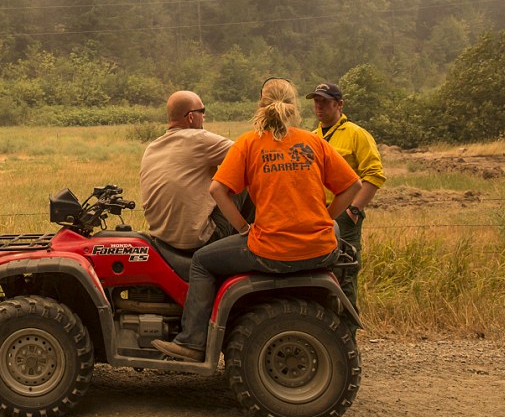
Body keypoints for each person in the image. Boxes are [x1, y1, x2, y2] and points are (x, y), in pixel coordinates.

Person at [153, 78, 361, 362]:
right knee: (334, 228)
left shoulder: (250, 143)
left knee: (202, 261)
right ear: (294, 106)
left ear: (261, 106)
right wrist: (325, 217)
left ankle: (192, 341)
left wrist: (242, 228)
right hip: (319, 249)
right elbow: (353, 186)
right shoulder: (314, 141)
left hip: (271, 251)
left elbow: (217, 190)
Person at [307, 81, 386, 311]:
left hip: (343, 214)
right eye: (316, 102)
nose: (319, 107)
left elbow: (374, 174)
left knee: (346, 272)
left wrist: (354, 210)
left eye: (325, 102)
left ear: (339, 104)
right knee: (320, 273)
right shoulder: (312, 137)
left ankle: (348, 340)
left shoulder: (356, 134)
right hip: (317, 214)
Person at [139, 91, 236, 251]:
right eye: (202, 112)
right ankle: (254, 238)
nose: (204, 116)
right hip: (200, 239)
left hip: (162, 239)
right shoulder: (199, 139)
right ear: (191, 117)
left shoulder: (152, 147)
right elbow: (249, 153)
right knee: (239, 179)